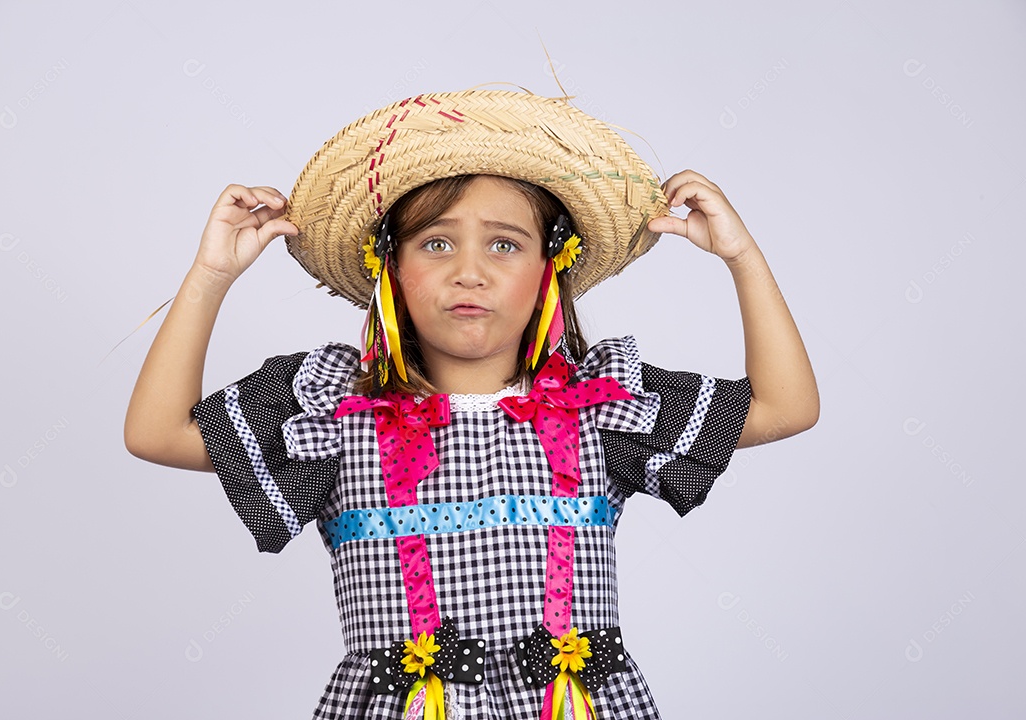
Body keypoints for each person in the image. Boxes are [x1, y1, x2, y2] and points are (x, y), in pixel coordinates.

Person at [124, 90, 818, 720]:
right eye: (436, 242)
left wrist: (742, 257)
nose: (470, 271)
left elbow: (787, 408)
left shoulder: (601, 408)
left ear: (551, 270)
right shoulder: (336, 413)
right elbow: (156, 433)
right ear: (390, 269)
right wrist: (211, 275)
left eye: (505, 244)